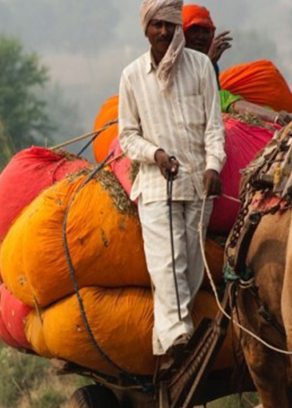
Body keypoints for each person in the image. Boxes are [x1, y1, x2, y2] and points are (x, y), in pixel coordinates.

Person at [119, 0, 225, 365]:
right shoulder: (132, 76)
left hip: (198, 183)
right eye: (156, 25)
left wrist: (214, 166)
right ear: (145, 29)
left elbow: (214, 126)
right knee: (168, 263)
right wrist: (156, 155)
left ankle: (164, 347)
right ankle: (179, 338)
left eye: (170, 24)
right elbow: (128, 136)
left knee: (192, 267)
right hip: (155, 185)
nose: (164, 31)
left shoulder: (200, 67)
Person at [182, 3, 290, 125]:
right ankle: (276, 118)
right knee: (220, 97)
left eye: (205, 31)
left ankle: (281, 117)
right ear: (182, 33)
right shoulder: (174, 58)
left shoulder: (208, 60)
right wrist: (208, 63)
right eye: (194, 30)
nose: (200, 37)